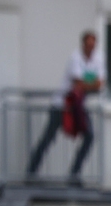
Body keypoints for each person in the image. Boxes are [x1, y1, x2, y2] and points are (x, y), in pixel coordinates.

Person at [27, 30, 105, 181]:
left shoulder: (98, 59)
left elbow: (100, 84)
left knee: (89, 136)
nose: (90, 49)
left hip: (77, 106)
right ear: (83, 45)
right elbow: (78, 84)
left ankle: (74, 174)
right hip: (61, 105)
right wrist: (91, 84)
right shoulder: (75, 58)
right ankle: (31, 172)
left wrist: (86, 84)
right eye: (88, 46)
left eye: (92, 46)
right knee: (48, 139)